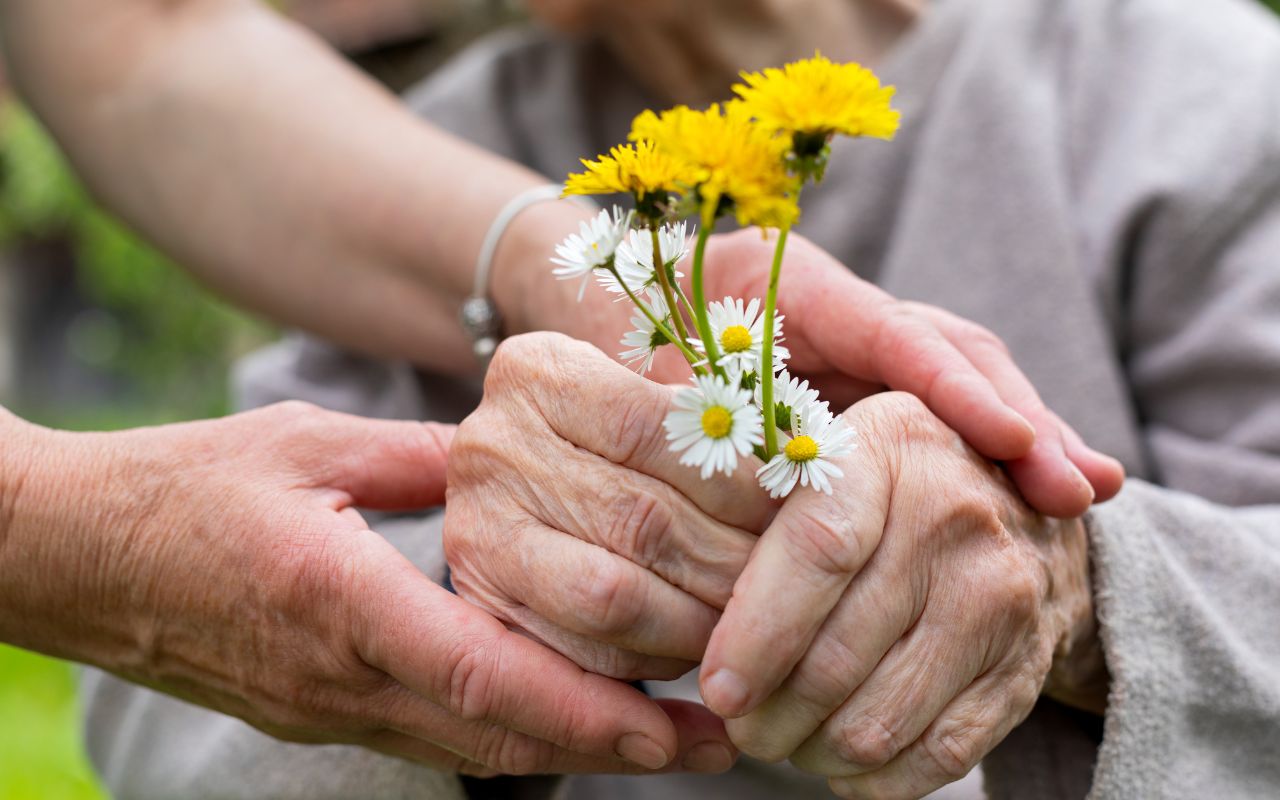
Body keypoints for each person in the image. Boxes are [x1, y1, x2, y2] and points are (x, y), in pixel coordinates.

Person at [80, 0, 1280, 797]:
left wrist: (1077, 589)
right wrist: (497, 611)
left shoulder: (1190, 94)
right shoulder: (436, 155)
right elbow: (156, 705)